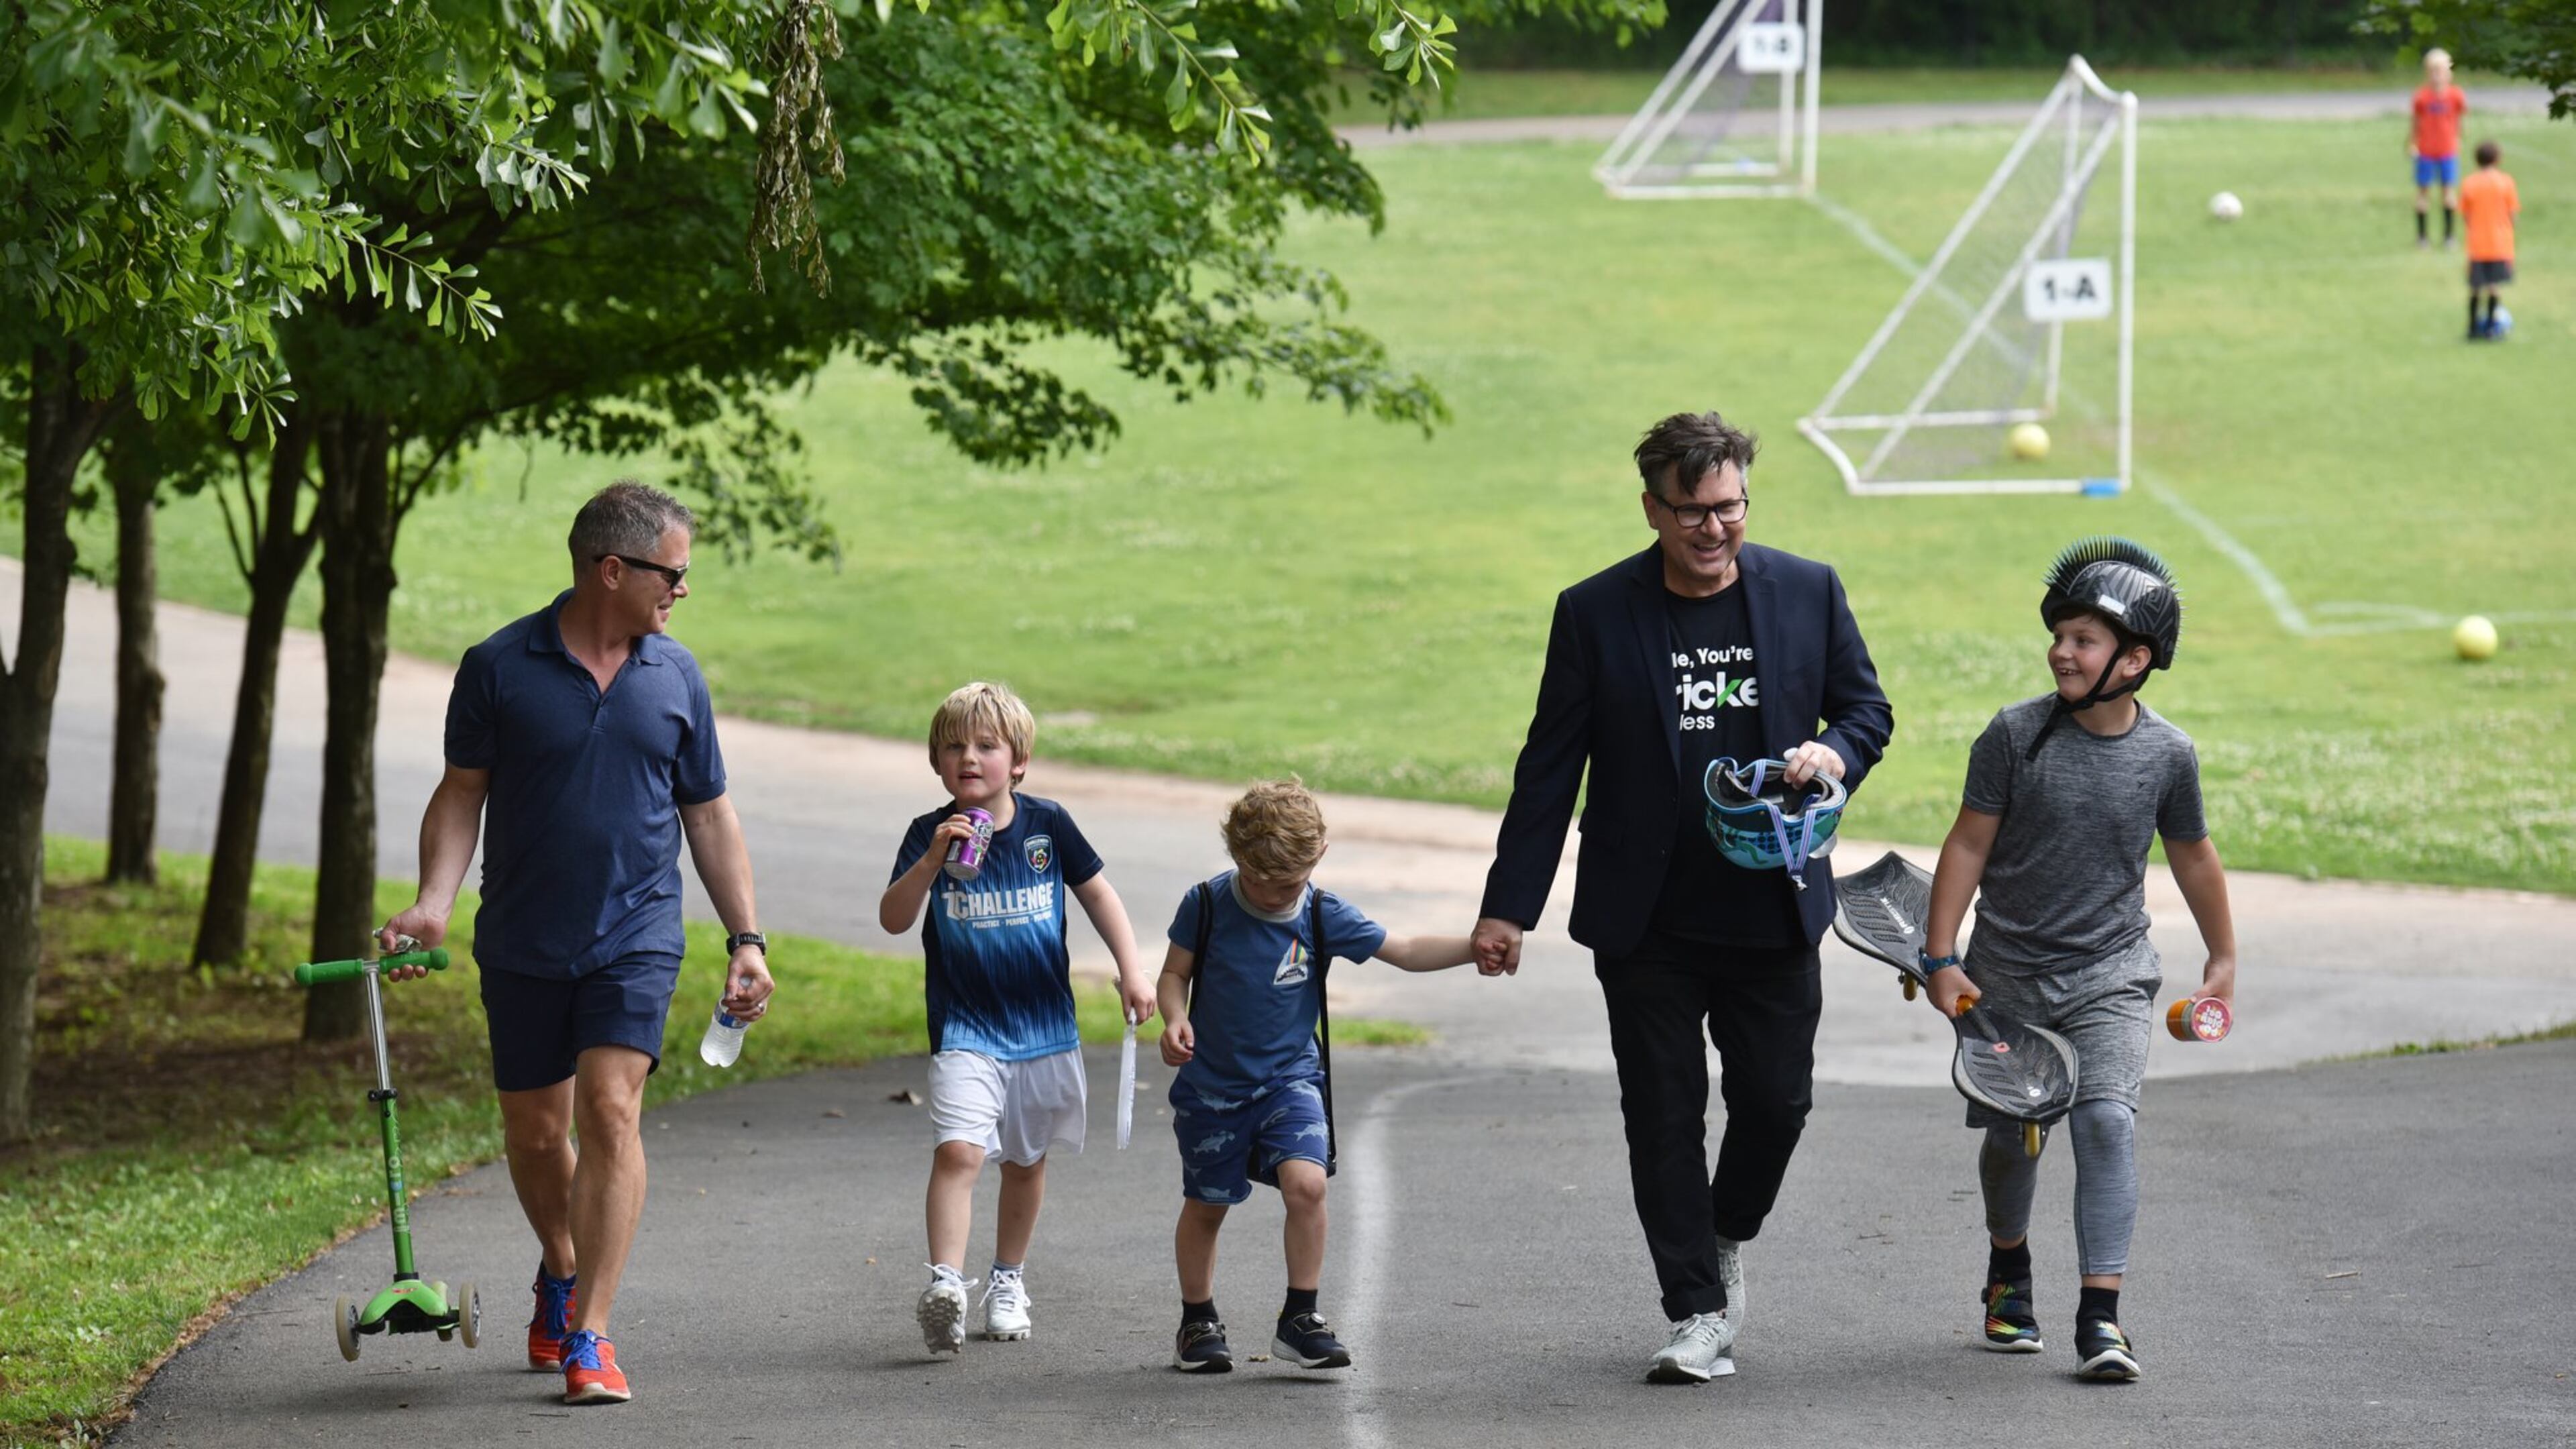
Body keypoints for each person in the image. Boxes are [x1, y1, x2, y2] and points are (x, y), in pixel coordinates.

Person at [1471, 411, 1893, 1385]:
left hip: (1771, 902)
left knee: (1777, 1103)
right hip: (1647, 915)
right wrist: (1509, 906)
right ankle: (1697, 1307)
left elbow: (1867, 707)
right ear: (1653, 507)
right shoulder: (1595, 612)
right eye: (1693, 511)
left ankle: (1725, 1232)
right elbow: (1550, 769)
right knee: (1662, 1112)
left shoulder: (1807, 589)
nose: (1715, 529)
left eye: (1731, 507)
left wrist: (1838, 751)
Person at [379, 481, 775, 1407]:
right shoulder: (498, 666)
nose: (681, 590)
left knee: (610, 1110)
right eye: (672, 573)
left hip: (636, 934)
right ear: (613, 570)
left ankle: (591, 1334)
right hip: (521, 935)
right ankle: (560, 1265)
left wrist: (745, 939)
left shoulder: (675, 676)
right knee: (536, 1132)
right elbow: (462, 792)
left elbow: (709, 814)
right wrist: (435, 901)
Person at [1915, 537, 2239, 1384]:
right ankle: (2009, 1268)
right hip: (2008, 977)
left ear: (2136, 660)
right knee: (2018, 1141)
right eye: (2060, 634)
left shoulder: (2168, 754)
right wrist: (1941, 956)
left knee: (2105, 1121)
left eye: (2085, 639)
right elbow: (1967, 844)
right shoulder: (2015, 736)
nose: (2063, 649)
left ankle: (2102, 1317)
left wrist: (2223, 957)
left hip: (2111, 973)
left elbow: (2194, 855)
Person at [1157, 780, 1474, 1374]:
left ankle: (1300, 1318)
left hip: (1290, 1081)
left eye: (1290, 883)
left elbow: (1403, 949)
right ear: (1237, 860)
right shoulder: (1205, 905)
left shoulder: (1323, 913)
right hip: (1213, 1090)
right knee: (1206, 1205)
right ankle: (1197, 1320)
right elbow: (1174, 974)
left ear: (1319, 857)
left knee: (1308, 1185)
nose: (1277, 895)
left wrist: (1475, 946)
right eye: (1262, 882)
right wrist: (1174, 1018)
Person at [879, 682, 1158, 1354]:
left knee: (1027, 1163)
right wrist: (930, 862)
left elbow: (1099, 894)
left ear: (1020, 761)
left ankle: (1008, 1280)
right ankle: (947, 1284)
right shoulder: (928, 834)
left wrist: (1132, 968)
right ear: (936, 764)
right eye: (953, 748)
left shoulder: (1047, 825)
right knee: (959, 1151)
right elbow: (893, 918)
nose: (968, 758)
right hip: (965, 1028)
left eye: (985, 746)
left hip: (1041, 1029)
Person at [2460, 139, 2520, 339]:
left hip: (2477, 243)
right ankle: (2492, 329)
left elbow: (2466, 215)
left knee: (2475, 287)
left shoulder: (2469, 183)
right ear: (2497, 159)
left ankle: (2471, 328)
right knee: (2494, 287)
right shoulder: (2506, 182)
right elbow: (2513, 215)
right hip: (2500, 243)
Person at [2408, 49, 2469, 250]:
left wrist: (2458, 140)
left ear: (2449, 72)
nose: (2437, 75)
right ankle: (2422, 237)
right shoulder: (2421, 97)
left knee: (2449, 193)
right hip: (2425, 151)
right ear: (2427, 72)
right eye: (2433, 70)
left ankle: (2449, 237)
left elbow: (2459, 121)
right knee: (2423, 194)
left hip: (2447, 151)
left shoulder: (2456, 96)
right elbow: (2415, 123)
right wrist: (2412, 143)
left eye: (2441, 70)